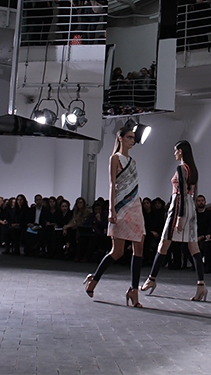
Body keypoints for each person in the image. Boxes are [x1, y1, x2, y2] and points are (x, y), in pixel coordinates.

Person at [83, 126, 146, 307]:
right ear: (120, 138)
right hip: (120, 206)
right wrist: (111, 209)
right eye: (129, 137)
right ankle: (94, 278)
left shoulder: (133, 162)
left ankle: (134, 290)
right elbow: (112, 184)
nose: (132, 140)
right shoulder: (115, 158)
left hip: (135, 205)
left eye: (133, 138)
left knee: (139, 249)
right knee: (117, 251)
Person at [141, 140, 208, 301]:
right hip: (190, 206)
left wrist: (179, 217)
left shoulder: (181, 168)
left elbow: (181, 194)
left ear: (181, 151)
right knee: (193, 247)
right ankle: (201, 285)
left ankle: (151, 279)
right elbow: (192, 193)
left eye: (176, 150)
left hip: (179, 206)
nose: (174, 153)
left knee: (164, 243)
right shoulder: (193, 169)